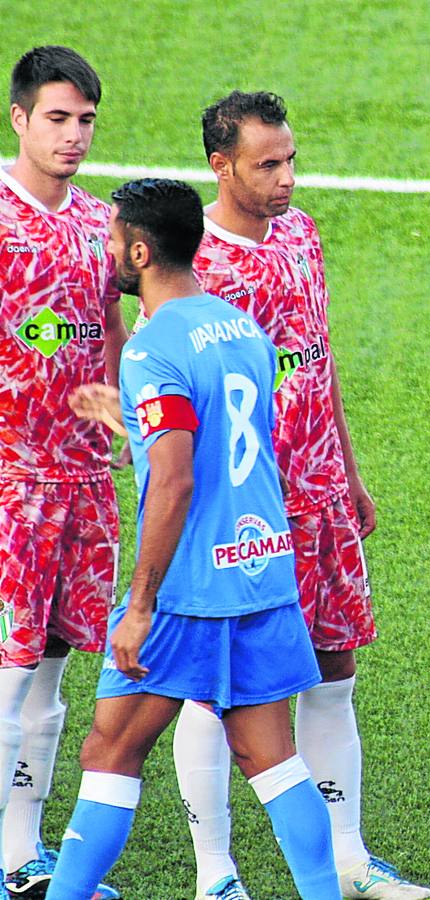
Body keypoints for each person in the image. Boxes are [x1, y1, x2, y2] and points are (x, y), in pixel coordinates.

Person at [161, 90, 430, 900]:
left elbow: (318, 354)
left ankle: (348, 860)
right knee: (218, 691)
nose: (284, 178)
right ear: (221, 166)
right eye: (266, 164)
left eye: (290, 160)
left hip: (318, 495)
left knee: (333, 668)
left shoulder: (302, 231)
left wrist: (347, 472)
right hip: (242, 512)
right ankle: (217, 876)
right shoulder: (196, 266)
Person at [52, 177, 339, 899]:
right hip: (261, 569)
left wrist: (141, 603)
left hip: (189, 589)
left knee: (110, 749)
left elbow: (177, 482)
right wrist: (132, 420)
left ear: (141, 251)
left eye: (113, 237)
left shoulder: (151, 350)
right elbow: (223, 443)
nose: (106, 247)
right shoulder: (240, 327)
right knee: (272, 759)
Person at [0, 45, 126, 900]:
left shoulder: (99, 223)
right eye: (57, 118)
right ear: (19, 119)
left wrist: (116, 398)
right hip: (11, 479)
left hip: (81, 478)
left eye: (84, 119)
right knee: (8, 664)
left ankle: (21, 850)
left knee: (50, 661)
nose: (73, 135)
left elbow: (110, 323)